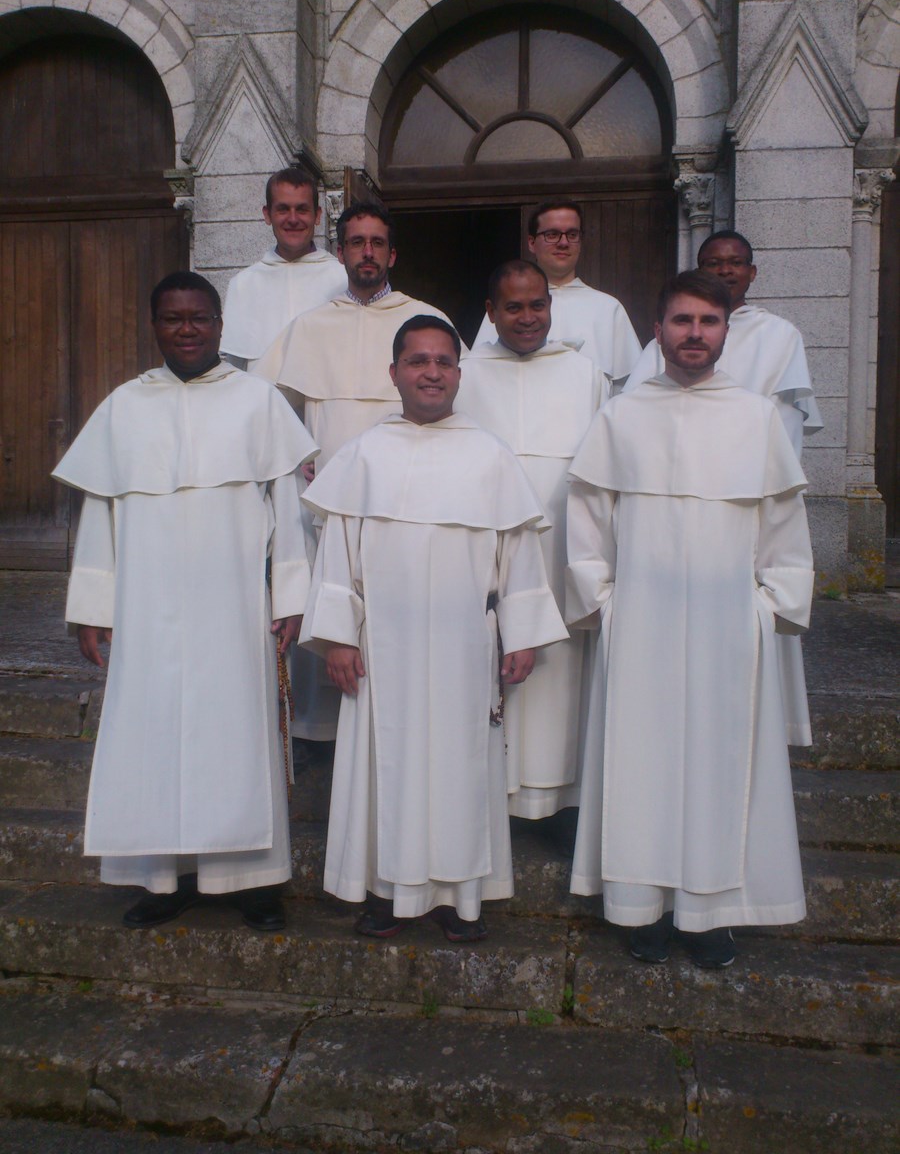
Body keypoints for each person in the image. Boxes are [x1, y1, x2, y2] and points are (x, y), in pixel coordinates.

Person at [54, 272, 318, 932]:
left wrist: (290, 595)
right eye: (173, 318)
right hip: (149, 612)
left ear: (220, 325)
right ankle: (163, 878)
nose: (188, 328)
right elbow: (100, 517)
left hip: (234, 608)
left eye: (199, 317)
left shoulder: (257, 402)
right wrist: (93, 605)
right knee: (154, 739)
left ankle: (253, 882)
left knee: (241, 737)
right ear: (155, 326)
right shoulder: (124, 406)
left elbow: (286, 510)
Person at [567, 271, 814, 969]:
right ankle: (640, 906)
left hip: (728, 628)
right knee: (640, 761)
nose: (694, 334)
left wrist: (766, 610)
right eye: (681, 321)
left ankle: (707, 914)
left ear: (725, 331)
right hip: (640, 621)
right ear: (659, 329)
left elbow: (783, 529)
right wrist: (607, 604)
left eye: (708, 321)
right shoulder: (622, 415)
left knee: (718, 763)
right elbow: (587, 520)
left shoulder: (756, 417)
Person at [299, 315, 568, 941]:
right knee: (380, 764)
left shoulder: (489, 456)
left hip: (462, 650)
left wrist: (522, 632)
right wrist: (339, 636)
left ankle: (455, 897)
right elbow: (337, 554)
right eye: (418, 361)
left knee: (460, 766)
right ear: (394, 372)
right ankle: (384, 892)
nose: (431, 372)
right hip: (379, 650)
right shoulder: (364, 454)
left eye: (443, 361)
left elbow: (519, 558)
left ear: (458, 373)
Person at [253, 202, 457, 743]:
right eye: (357, 242)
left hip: (406, 499)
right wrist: (302, 460)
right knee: (331, 603)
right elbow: (274, 408)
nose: (368, 252)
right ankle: (321, 732)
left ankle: (397, 723)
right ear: (339, 251)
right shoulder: (310, 327)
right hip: (330, 503)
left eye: (378, 242)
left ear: (393, 252)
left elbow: (450, 404)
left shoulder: (425, 322)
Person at [624, 229, 822, 747]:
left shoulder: (778, 338)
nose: (725, 270)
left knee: (735, 720)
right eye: (714, 261)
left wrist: (771, 598)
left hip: (737, 527)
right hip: (656, 554)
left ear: (751, 273)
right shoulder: (632, 401)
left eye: (735, 263)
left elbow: (785, 438)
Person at [456, 260, 602, 820]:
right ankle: (486, 797)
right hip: (485, 546)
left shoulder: (584, 373)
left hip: (561, 544)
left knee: (558, 672)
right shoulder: (466, 371)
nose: (527, 317)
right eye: (512, 307)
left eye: (537, 304)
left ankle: (557, 800)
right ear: (490, 313)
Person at [473, 199, 641, 398]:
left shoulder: (608, 309)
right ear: (531, 243)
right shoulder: (506, 309)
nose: (563, 243)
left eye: (572, 234)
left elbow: (627, 393)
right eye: (552, 234)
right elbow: (481, 377)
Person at [219, 168, 346, 368]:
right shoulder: (243, 285)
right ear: (267, 214)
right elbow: (236, 370)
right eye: (283, 209)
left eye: (302, 209)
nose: (293, 219)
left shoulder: (342, 279)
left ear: (317, 215)